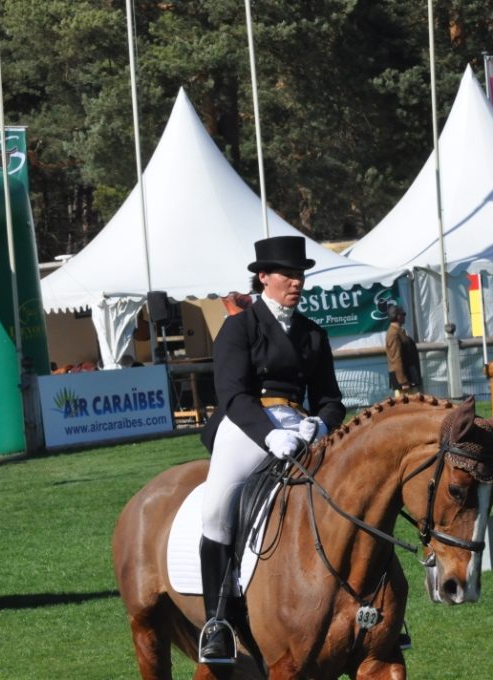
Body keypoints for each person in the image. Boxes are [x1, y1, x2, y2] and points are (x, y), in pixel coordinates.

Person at [197, 235, 346, 664]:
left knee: (354, 494)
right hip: (248, 425)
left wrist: (323, 424)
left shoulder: (312, 334)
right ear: (263, 277)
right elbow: (232, 393)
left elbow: (330, 397)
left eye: (300, 275)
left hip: (302, 427)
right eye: (288, 275)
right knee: (217, 510)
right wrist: (268, 435)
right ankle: (218, 622)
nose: (296, 282)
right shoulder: (238, 327)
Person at [385, 304, 422, 397]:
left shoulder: (399, 332)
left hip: (408, 376)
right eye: (403, 314)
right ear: (398, 316)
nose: (405, 316)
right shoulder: (393, 334)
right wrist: (403, 381)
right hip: (403, 381)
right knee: (406, 407)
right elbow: (396, 358)